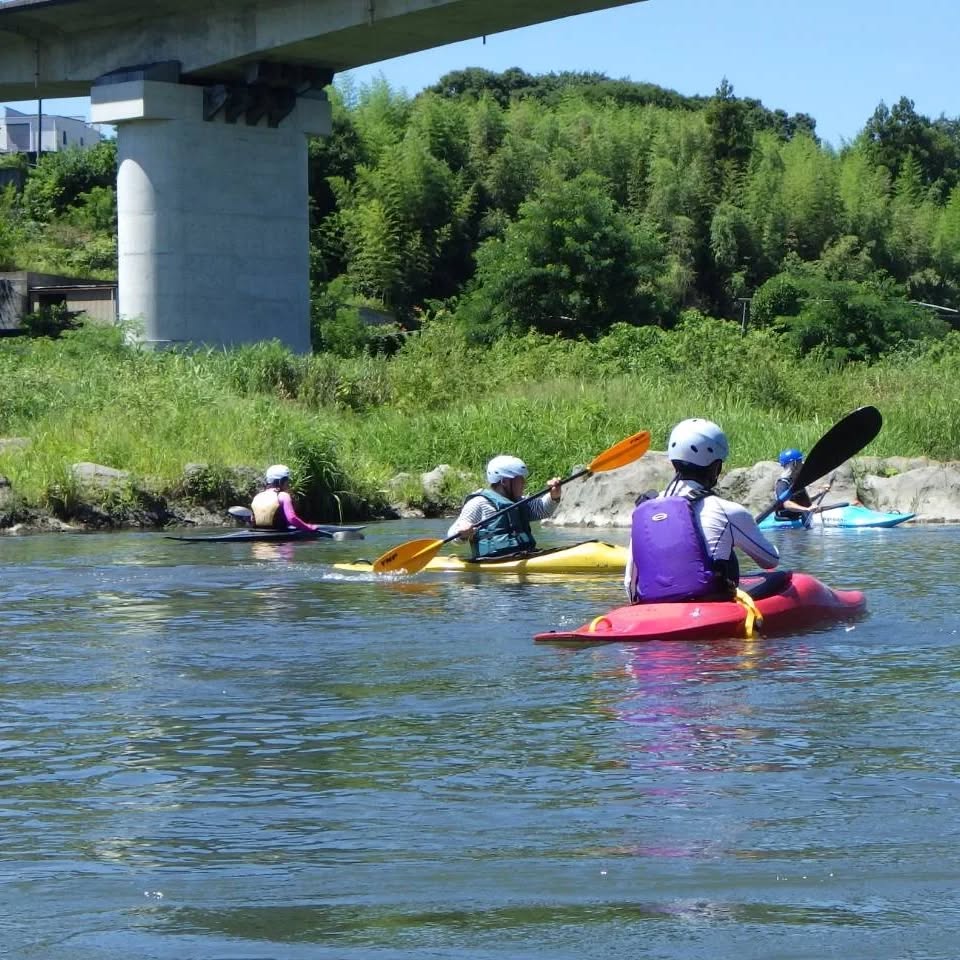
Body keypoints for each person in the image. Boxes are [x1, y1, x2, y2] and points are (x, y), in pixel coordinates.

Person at [624, 418, 780, 603]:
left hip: (651, 607)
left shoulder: (644, 512)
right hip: (709, 605)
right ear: (716, 466)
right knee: (784, 580)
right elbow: (770, 560)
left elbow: (629, 584)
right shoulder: (728, 511)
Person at [447, 455, 562, 559]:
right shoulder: (479, 503)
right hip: (493, 568)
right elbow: (453, 536)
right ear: (504, 482)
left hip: (524, 556)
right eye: (519, 479)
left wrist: (554, 496)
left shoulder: (519, 502)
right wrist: (462, 531)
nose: (524, 483)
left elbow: (543, 510)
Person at [250, 464, 321, 532]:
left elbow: (252, 519)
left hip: (258, 537)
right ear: (282, 481)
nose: (289, 484)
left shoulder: (257, 496)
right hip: (279, 539)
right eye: (287, 481)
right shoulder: (283, 496)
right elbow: (292, 519)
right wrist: (309, 527)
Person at [775, 449, 830, 525]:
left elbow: (801, 501)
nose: (803, 464)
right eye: (800, 461)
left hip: (801, 515)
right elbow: (786, 504)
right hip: (789, 527)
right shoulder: (782, 484)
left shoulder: (796, 481)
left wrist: (820, 492)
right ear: (794, 464)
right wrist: (806, 509)